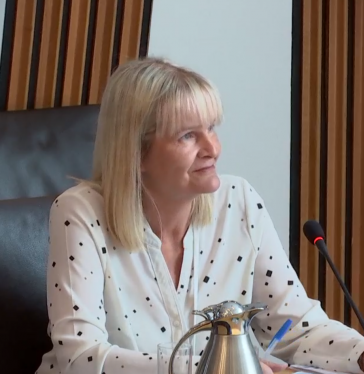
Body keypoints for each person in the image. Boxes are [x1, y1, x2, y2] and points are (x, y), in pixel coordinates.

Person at [36, 57, 364, 374]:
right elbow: (79, 358)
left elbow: (295, 326)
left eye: (211, 128)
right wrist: (222, 367)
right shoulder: (79, 212)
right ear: (136, 154)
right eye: (188, 136)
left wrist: (360, 354)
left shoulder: (240, 203)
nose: (213, 148)